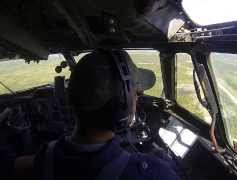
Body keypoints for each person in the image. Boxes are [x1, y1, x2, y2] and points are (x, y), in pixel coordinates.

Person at [31, 50, 181, 180]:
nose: (138, 97)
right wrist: (162, 159)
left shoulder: (45, 157)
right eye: (136, 93)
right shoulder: (153, 173)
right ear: (123, 103)